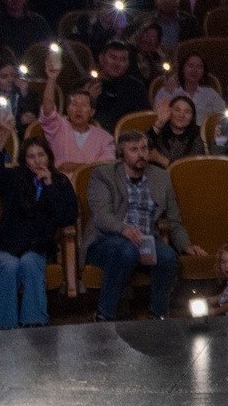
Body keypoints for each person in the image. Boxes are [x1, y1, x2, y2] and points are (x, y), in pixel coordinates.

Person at [84, 130, 200, 321]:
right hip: (107, 240)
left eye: (144, 149)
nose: (141, 154)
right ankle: (105, 315)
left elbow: (174, 219)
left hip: (146, 240)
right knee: (126, 251)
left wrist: (186, 245)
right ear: (122, 154)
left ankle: (158, 316)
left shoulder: (161, 177)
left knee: (169, 257)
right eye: (134, 150)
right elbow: (102, 215)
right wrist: (124, 229)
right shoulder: (103, 175)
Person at [0, 136, 77, 330]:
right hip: (6, 246)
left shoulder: (60, 182)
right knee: (9, 265)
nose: (37, 161)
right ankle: (3, 328)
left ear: (48, 156)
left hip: (37, 247)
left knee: (30, 262)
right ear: (25, 160)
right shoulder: (15, 178)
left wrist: (49, 185)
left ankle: (34, 324)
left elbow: (66, 217)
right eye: (31, 156)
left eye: (41, 155)